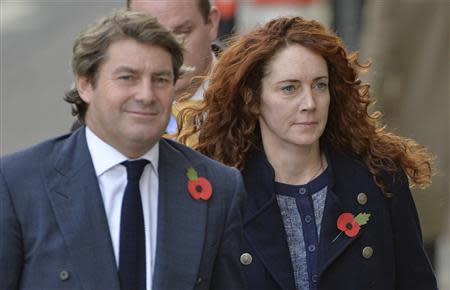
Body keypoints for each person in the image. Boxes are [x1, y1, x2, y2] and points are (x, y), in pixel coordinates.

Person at [178, 16, 438, 290]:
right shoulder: (222, 193)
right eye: (290, 88)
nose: (310, 103)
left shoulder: (379, 178)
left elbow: (416, 281)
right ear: (253, 100)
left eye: (319, 85)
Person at [0, 9, 246, 290]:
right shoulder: (18, 184)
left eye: (161, 79)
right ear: (85, 84)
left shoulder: (219, 188)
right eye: (127, 78)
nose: (146, 94)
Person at [128, 0, 221, 135]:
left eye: (182, 32)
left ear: (212, 23)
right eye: (150, 35)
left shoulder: (253, 96)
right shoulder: (103, 114)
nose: (168, 49)